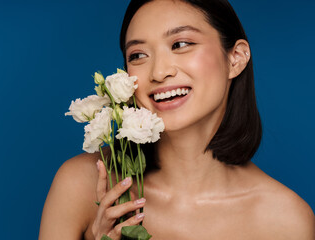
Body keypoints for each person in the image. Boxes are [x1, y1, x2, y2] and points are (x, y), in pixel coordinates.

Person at [39, 0, 315, 239]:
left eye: (181, 44)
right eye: (138, 55)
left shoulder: (286, 220)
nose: (159, 72)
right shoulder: (82, 185)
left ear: (235, 58)